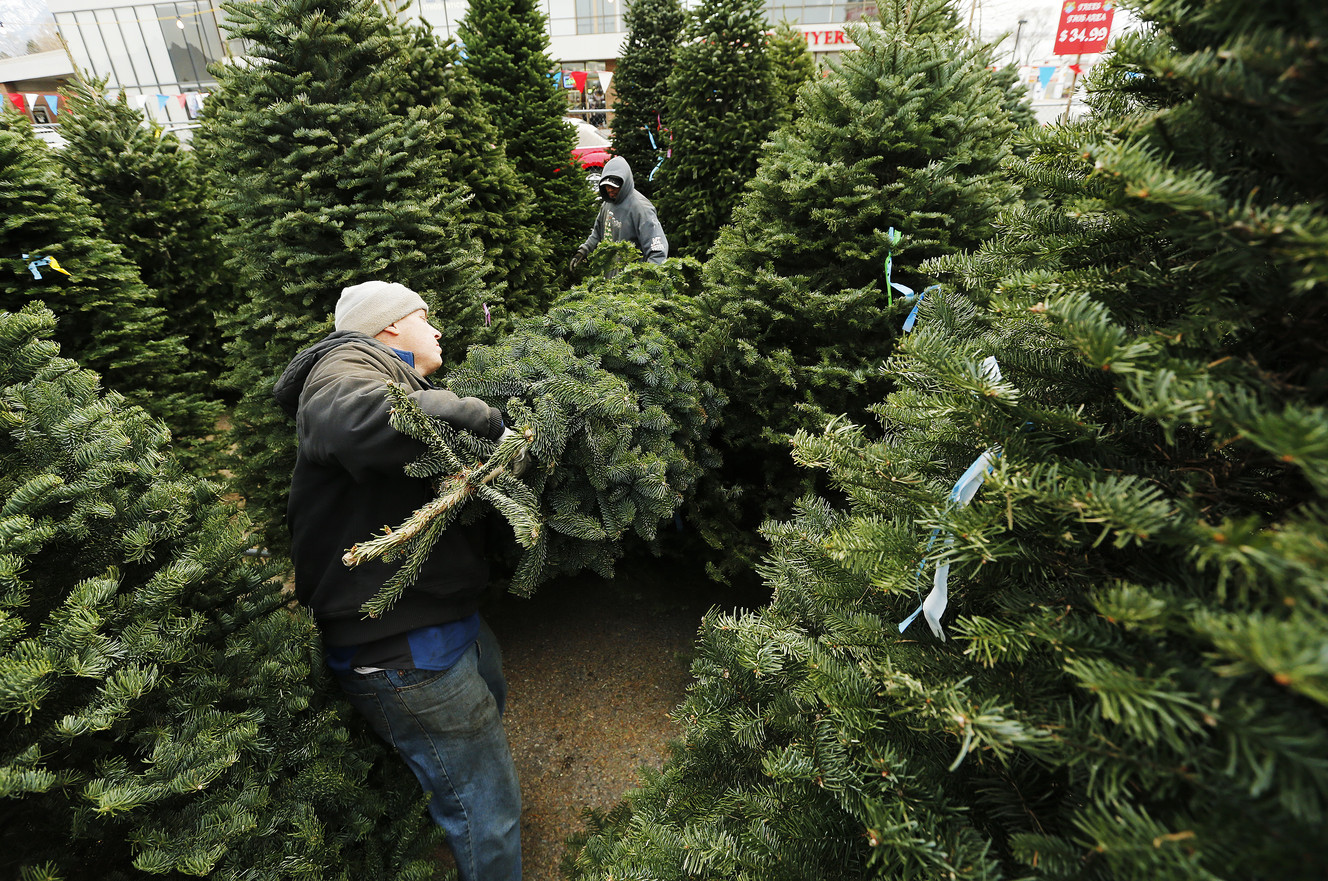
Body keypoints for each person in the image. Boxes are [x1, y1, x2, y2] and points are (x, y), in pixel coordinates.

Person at [273, 280, 522, 881]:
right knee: (486, 808)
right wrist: (486, 418)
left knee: (492, 698)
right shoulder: (342, 369)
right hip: (400, 642)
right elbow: (350, 421)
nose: (437, 331)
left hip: (435, 613)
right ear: (388, 329)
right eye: (424, 318)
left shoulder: (387, 371)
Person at [569, 156, 668, 272]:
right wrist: (583, 252)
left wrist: (646, 277)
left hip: (633, 281)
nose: (610, 190)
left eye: (614, 186)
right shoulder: (607, 204)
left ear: (624, 183)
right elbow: (597, 233)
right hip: (611, 279)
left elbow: (658, 250)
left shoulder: (641, 208)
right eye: (607, 186)